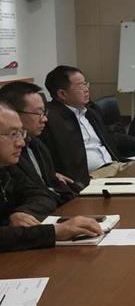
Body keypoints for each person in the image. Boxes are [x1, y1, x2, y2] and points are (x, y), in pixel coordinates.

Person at [41, 66, 135, 186]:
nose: (87, 89)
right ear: (62, 94)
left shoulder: (89, 112)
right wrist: (52, 174)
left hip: (115, 167)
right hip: (91, 178)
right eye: (80, 86)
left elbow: (113, 138)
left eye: (86, 84)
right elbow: (42, 155)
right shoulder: (50, 120)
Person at [0, 102, 102, 252]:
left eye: (21, 133)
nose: (20, 143)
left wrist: (21, 213)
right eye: (12, 134)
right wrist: (55, 232)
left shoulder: (7, 168)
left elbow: (42, 195)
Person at [0, 81, 77, 202]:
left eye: (44, 112)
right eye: (38, 113)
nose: (44, 119)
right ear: (14, 113)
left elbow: (45, 190)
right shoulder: (9, 158)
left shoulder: (36, 143)